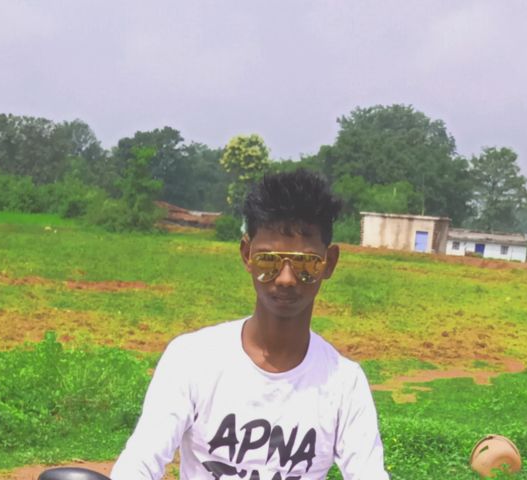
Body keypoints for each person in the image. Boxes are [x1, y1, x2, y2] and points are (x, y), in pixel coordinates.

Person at [111, 169, 389, 480]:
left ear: (330, 263)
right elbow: (141, 460)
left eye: (306, 264)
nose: (286, 278)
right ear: (247, 255)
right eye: (269, 260)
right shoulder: (192, 359)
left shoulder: (344, 383)